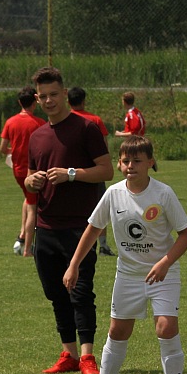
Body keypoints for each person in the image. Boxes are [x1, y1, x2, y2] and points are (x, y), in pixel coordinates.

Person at [66, 137, 187, 374]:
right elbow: (93, 229)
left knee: (166, 327)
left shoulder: (163, 194)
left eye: (137, 161)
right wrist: (74, 264)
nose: (130, 166)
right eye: (125, 161)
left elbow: (186, 234)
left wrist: (165, 262)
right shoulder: (113, 194)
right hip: (128, 275)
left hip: (163, 274)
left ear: (150, 163)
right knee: (118, 330)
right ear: (119, 164)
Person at [25, 67, 114, 374]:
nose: (49, 100)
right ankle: (69, 354)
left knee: (81, 291)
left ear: (64, 94)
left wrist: (71, 174)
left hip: (80, 226)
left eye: (54, 94)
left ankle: (88, 356)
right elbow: (29, 176)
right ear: (37, 98)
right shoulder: (37, 136)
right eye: (43, 96)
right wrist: (33, 180)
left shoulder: (86, 128)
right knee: (55, 293)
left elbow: (106, 171)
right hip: (46, 226)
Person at [0, 87, 46, 257]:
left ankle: (21, 236)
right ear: (35, 102)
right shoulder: (39, 123)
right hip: (33, 171)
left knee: (28, 200)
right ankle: (27, 248)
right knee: (33, 207)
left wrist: (15, 150)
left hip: (18, 169)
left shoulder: (10, 122)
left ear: (19, 102)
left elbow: (3, 148)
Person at [68, 86, 115, 256]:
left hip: (72, 173)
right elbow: (103, 146)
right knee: (100, 209)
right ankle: (103, 245)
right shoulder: (94, 120)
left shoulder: (66, 120)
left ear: (68, 101)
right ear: (84, 101)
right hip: (94, 172)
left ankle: (74, 243)